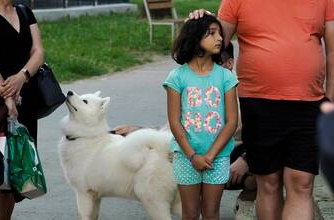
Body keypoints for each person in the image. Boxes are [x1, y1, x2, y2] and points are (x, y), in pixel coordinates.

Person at [190, 0, 334, 219]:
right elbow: (216, 43)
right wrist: (200, 23)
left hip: (309, 102)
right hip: (257, 101)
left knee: (302, 183)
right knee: (268, 182)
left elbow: (333, 50)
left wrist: (330, 98)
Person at [113, 42, 256, 195]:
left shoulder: (244, 90)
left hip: (231, 154)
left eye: (215, 62)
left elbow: (265, 133)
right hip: (194, 153)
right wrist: (140, 132)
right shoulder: (191, 83)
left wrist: (246, 160)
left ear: (229, 64)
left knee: (262, 169)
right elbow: (173, 128)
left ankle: (249, 195)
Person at [0, 0, 44, 219]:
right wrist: (8, 95)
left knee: (18, 167)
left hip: (26, 98)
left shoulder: (24, 11)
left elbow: (38, 51)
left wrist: (22, 77)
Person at [164, 15, 238, 220]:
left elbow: (232, 122)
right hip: (186, 157)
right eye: (212, 33)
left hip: (218, 157)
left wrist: (211, 155)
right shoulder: (177, 77)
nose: (220, 39)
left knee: (211, 212)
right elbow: (174, 122)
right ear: (195, 38)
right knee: (189, 213)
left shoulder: (226, 77)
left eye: (219, 34)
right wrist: (192, 156)